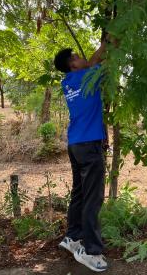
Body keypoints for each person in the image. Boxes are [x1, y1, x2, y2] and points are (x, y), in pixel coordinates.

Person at [53, 41, 108, 272]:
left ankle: (72, 237)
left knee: (80, 192)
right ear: (73, 65)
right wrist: (110, 42)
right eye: (76, 56)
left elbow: (94, 62)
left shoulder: (68, 82)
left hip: (75, 144)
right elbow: (98, 59)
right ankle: (90, 251)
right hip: (88, 145)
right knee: (93, 198)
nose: (81, 57)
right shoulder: (86, 76)